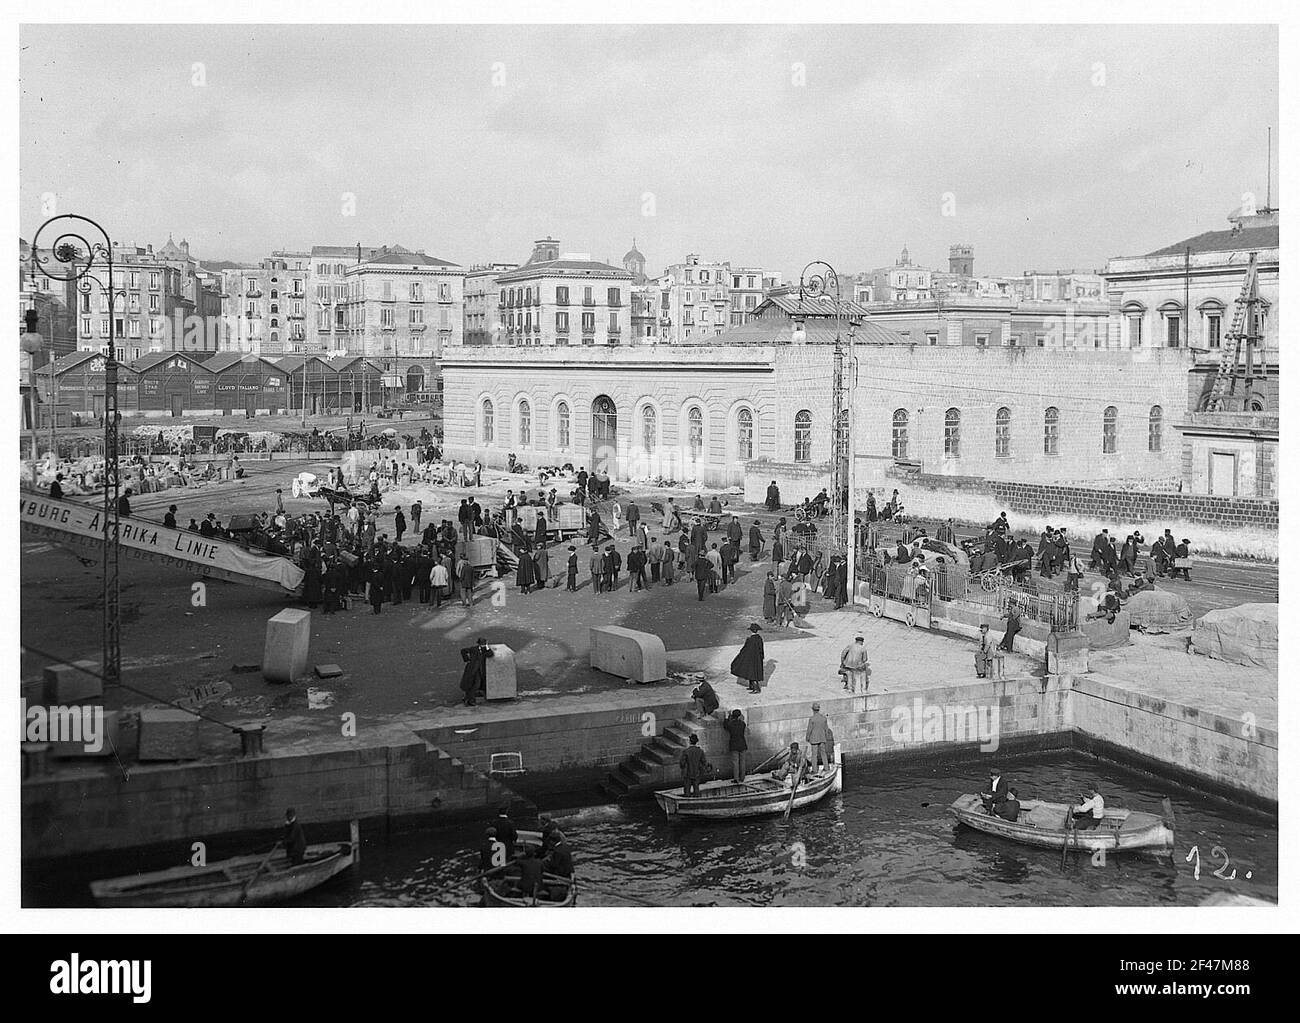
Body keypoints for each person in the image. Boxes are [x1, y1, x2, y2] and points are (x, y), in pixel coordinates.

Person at [730, 623, 765, 693]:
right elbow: (761, 649)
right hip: (757, 659)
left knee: (752, 673)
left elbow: (745, 649)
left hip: (750, 659)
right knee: (752, 672)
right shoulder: (759, 638)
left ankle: (756, 688)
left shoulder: (750, 640)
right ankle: (752, 686)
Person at [459, 638, 494, 706]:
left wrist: (487, 648)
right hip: (472, 670)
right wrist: (467, 660)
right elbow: (463, 651)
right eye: (483, 644)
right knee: (475, 684)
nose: (484, 645)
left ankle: (468, 698)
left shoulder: (484, 650)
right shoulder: (474, 649)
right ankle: (470, 700)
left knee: (474, 684)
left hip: (478, 670)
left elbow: (490, 654)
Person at [679, 733, 708, 797]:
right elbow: (704, 762)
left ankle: (686, 801)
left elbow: (682, 763)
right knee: (696, 788)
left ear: (689, 741)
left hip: (687, 773)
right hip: (697, 773)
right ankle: (696, 800)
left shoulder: (686, 751)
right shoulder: (700, 751)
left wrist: (683, 768)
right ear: (696, 742)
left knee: (687, 790)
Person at [805, 702, 831, 775]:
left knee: (814, 755)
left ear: (813, 710)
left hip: (814, 739)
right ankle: (826, 768)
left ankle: (815, 770)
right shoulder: (823, 718)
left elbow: (809, 729)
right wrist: (825, 737)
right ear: (818, 709)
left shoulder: (812, 719)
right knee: (823, 753)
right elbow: (826, 729)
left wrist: (807, 737)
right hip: (822, 738)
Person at [723, 709, 748, 783]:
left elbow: (725, 726)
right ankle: (742, 778)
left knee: (735, 763)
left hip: (734, 745)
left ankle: (736, 779)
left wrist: (727, 717)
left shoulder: (730, 724)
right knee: (742, 762)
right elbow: (742, 722)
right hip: (742, 744)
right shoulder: (743, 724)